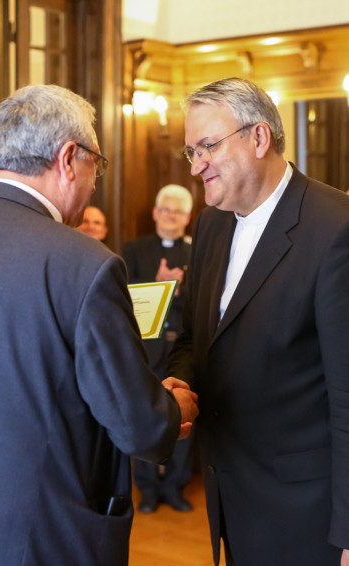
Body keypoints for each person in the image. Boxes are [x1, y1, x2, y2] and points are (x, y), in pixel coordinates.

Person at [0, 84, 199, 566]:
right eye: (95, 164)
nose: (94, 184)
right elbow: (138, 425)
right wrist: (171, 410)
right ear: (68, 158)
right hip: (29, 536)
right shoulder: (85, 263)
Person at [168, 77, 349, 566]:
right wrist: (180, 386)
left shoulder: (340, 230)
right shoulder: (210, 224)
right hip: (233, 496)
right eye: (191, 151)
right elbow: (197, 338)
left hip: (310, 515)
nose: (196, 166)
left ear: (259, 137)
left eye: (208, 146)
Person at [122, 184, 195, 513]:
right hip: (146, 350)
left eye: (178, 212)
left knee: (183, 414)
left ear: (187, 218)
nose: (171, 217)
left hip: (182, 348)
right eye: (166, 210)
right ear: (155, 213)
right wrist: (159, 284)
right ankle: (148, 489)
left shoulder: (197, 251)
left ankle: (175, 487)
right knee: (146, 416)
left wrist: (179, 290)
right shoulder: (134, 249)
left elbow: (205, 301)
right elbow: (124, 296)